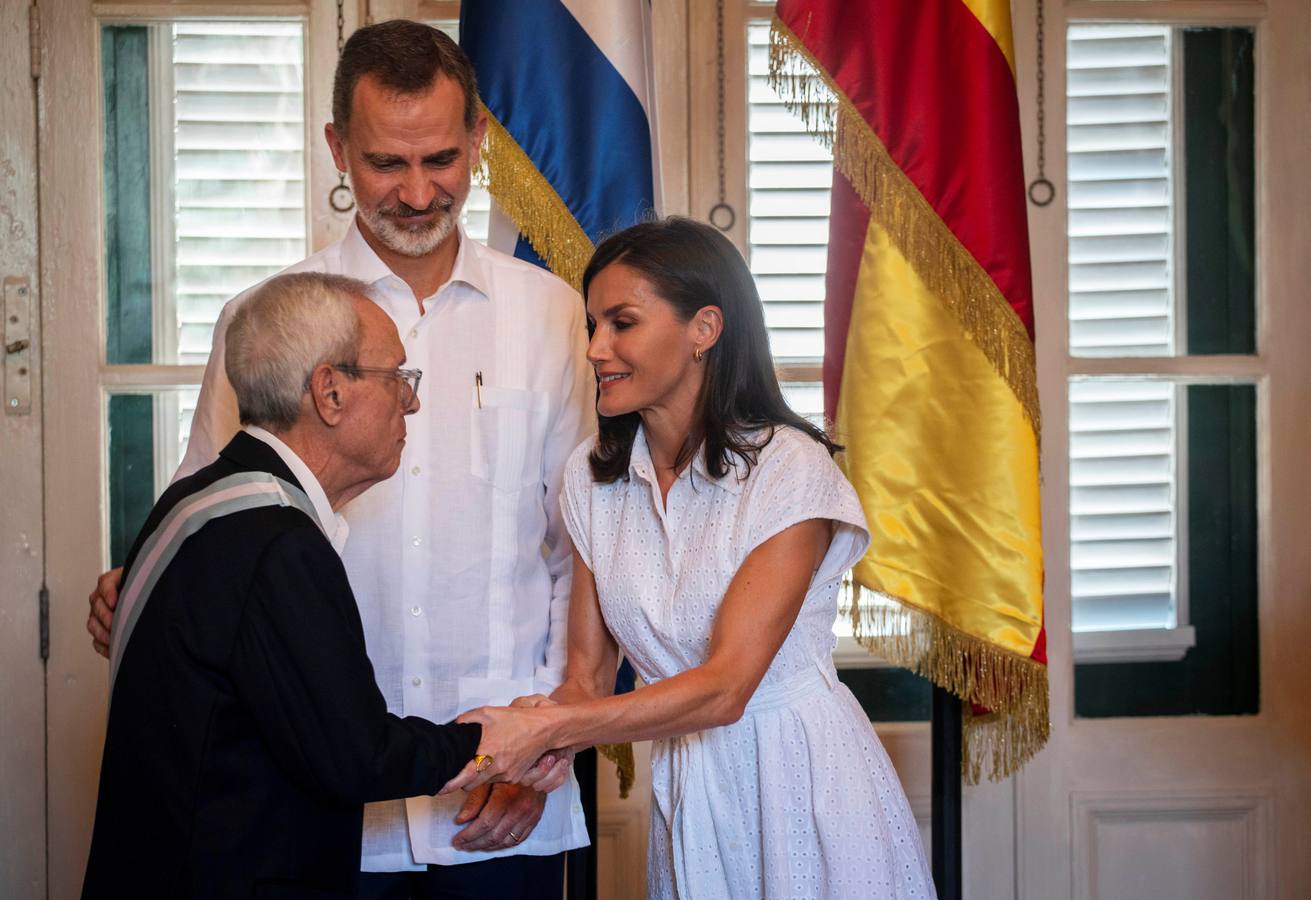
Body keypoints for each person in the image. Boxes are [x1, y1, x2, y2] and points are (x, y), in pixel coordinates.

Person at [85, 20, 593, 900]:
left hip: (506, 795)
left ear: (477, 138)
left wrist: (545, 742)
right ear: (335, 149)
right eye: (384, 164)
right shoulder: (265, 323)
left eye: (439, 158)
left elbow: (581, 552)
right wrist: (136, 586)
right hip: (316, 804)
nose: (415, 191)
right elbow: (216, 522)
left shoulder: (555, 314)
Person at [446, 219, 937, 899]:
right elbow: (587, 677)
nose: (595, 349)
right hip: (687, 791)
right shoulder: (589, 480)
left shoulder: (788, 470)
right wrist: (532, 756)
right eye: (592, 326)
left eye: (621, 323)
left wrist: (547, 727)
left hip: (805, 780)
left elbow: (726, 688)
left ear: (704, 328)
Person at [82, 273, 569, 899]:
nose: (412, 403)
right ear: (330, 393)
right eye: (398, 378)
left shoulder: (201, 501)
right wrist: (494, 746)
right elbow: (356, 758)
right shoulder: (278, 543)